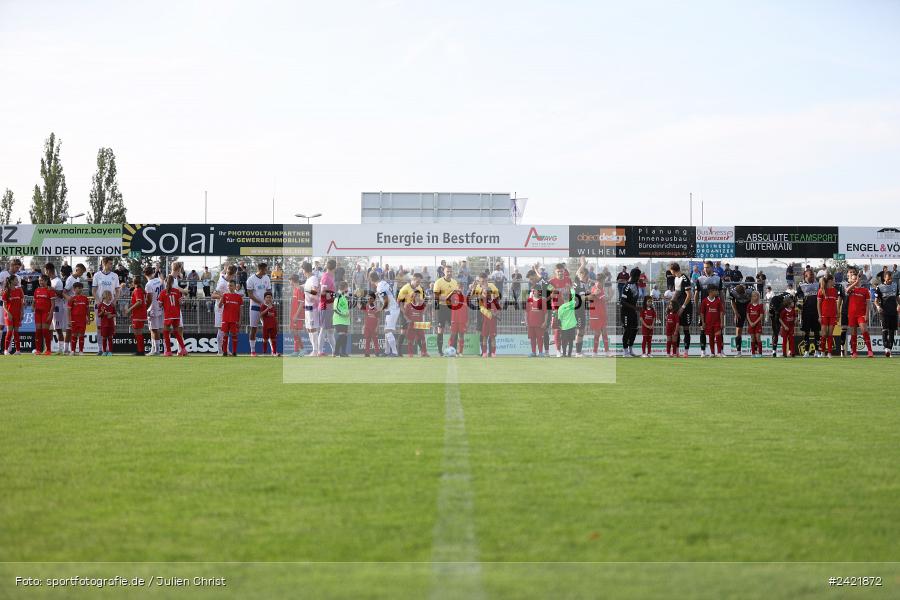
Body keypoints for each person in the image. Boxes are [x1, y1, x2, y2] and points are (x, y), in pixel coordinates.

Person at [694, 261, 722, 358]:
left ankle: (720, 351)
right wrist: (697, 305)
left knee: (719, 330)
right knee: (703, 329)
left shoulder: (717, 279)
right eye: (705, 267)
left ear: (712, 267)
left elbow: (721, 293)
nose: (706, 269)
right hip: (704, 310)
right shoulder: (700, 279)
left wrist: (722, 306)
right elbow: (697, 294)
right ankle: (703, 351)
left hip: (715, 309)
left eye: (708, 267)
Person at [845, 266, 874, 358]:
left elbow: (868, 304)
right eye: (852, 280)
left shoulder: (865, 290)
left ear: (859, 280)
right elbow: (846, 290)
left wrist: (867, 315)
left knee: (864, 330)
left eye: (856, 280)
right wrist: (854, 283)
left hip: (861, 314)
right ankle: (854, 352)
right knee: (853, 333)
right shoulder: (850, 288)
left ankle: (870, 351)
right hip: (852, 314)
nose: (854, 281)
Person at [371, 270, 400, 357]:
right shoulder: (383, 282)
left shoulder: (379, 288)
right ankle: (387, 351)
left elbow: (386, 300)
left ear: (371, 280)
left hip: (391, 309)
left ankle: (394, 352)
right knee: (386, 331)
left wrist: (380, 309)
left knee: (387, 331)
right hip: (392, 309)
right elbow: (387, 292)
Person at [246, 262, 272, 357]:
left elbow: (269, 291)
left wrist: (268, 302)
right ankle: (253, 351)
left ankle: (273, 351)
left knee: (269, 328)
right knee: (254, 329)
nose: (267, 270)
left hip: (265, 307)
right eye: (266, 269)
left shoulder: (267, 278)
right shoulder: (251, 279)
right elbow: (250, 295)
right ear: (261, 269)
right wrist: (261, 302)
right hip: (255, 307)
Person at [432, 265, 459, 356]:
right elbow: (436, 297)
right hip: (441, 308)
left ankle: (454, 350)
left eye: (451, 271)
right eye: (447, 271)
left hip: (451, 308)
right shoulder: (438, 282)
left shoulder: (455, 282)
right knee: (440, 329)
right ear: (444, 272)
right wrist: (446, 298)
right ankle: (440, 351)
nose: (449, 273)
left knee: (454, 329)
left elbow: (456, 295)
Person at [211, 265, 237, 356]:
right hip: (219, 308)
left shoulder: (223, 276)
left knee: (227, 330)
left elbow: (223, 272)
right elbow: (213, 296)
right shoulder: (222, 283)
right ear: (233, 274)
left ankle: (226, 349)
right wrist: (223, 297)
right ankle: (219, 351)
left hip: (227, 309)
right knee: (221, 330)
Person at [158, 276, 187, 357]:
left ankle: (168, 351)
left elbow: (160, 304)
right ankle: (183, 349)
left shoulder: (163, 292)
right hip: (176, 315)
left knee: (166, 332)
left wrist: (163, 303)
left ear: (165, 282)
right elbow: (181, 302)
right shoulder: (177, 291)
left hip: (168, 315)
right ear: (173, 283)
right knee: (176, 332)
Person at [549, 263, 573, 357]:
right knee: (557, 331)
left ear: (564, 271)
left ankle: (564, 351)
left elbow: (572, 292)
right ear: (555, 272)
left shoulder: (568, 280)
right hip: (556, 309)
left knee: (565, 331)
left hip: (566, 309)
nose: (560, 273)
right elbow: (549, 295)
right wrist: (554, 292)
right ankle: (558, 351)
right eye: (558, 271)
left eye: (562, 271)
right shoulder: (551, 282)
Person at [669, 263, 693, 358]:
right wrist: (671, 303)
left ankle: (686, 352)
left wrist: (682, 308)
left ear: (673, 270)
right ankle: (676, 351)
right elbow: (677, 292)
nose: (670, 272)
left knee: (686, 329)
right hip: (677, 307)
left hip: (686, 308)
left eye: (671, 270)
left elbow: (689, 295)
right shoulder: (676, 278)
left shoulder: (684, 278)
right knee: (677, 329)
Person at [797, 269, 821, 357]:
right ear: (806, 276)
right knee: (806, 332)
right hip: (806, 312)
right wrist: (800, 303)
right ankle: (806, 351)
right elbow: (798, 297)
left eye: (813, 275)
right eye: (811, 275)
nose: (813, 276)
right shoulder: (801, 285)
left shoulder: (818, 284)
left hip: (816, 312)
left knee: (817, 332)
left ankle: (817, 351)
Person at [874, 270, 898, 358]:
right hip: (884, 312)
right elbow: (876, 301)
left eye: (891, 279)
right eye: (888, 279)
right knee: (885, 330)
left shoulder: (895, 285)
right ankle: (886, 348)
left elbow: (897, 297)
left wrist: (899, 305)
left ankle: (890, 350)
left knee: (892, 331)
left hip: (893, 312)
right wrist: (878, 307)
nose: (890, 280)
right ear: (884, 278)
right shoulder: (879, 287)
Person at [45, 262, 68, 354]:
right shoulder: (48, 280)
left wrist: (52, 289)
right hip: (49, 307)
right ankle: (48, 349)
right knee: (48, 329)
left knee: (58, 329)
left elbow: (61, 295)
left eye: (45, 270)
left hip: (57, 308)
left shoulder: (58, 281)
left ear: (48, 270)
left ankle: (61, 349)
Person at [317, 259, 337, 357]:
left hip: (329, 307)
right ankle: (320, 351)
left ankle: (335, 351)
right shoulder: (326, 277)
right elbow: (323, 292)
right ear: (335, 267)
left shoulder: (330, 277)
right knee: (323, 329)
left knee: (330, 330)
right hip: (325, 307)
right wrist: (332, 297)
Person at [219, 279, 243, 357]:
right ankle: (224, 352)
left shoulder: (238, 297)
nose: (229, 287)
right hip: (225, 319)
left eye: (231, 285)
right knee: (225, 334)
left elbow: (241, 310)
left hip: (234, 319)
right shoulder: (225, 295)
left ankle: (234, 352)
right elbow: (219, 306)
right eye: (228, 285)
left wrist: (240, 320)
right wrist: (221, 299)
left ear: (235, 287)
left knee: (234, 334)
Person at [817, 274, 840, 358]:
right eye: (834, 280)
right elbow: (818, 304)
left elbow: (835, 303)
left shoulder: (834, 290)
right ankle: (822, 352)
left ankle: (829, 353)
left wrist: (837, 313)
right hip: (824, 315)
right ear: (830, 281)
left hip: (832, 315)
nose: (834, 281)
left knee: (830, 334)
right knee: (824, 334)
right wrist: (819, 316)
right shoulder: (821, 290)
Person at [143, 266, 164, 356]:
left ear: (145, 274)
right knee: (154, 329)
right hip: (161, 307)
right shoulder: (159, 280)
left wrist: (145, 308)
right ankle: (153, 349)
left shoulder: (148, 284)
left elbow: (149, 299)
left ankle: (157, 350)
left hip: (153, 308)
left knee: (154, 329)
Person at [620, 268, 641, 357]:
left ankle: (630, 350)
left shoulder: (636, 284)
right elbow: (622, 301)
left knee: (634, 329)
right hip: (626, 312)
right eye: (638, 276)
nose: (639, 278)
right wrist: (635, 308)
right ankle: (625, 352)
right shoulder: (626, 286)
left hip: (633, 312)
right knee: (627, 330)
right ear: (635, 276)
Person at [33, 275, 55, 355]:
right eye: (39, 280)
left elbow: (53, 305)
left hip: (47, 313)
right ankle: (38, 350)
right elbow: (34, 301)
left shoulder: (50, 290)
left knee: (45, 331)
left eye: (42, 280)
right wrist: (33, 307)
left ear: (46, 281)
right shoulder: (37, 290)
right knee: (38, 331)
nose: (40, 282)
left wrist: (50, 314)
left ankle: (48, 350)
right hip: (38, 313)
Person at [303, 262, 321, 357]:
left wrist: (306, 291)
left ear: (305, 270)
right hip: (307, 308)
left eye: (302, 270)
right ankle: (314, 350)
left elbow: (314, 292)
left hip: (312, 308)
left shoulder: (313, 278)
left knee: (313, 329)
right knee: (309, 329)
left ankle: (315, 350)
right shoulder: (308, 280)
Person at [700, 285, 725, 357]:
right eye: (716, 291)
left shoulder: (718, 301)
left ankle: (719, 352)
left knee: (718, 336)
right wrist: (703, 322)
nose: (717, 292)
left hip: (717, 322)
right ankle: (712, 353)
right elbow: (702, 313)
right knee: (711, 337)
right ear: (710, 291)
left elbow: (721, 312)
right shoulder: (704, 301)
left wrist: (722, 322)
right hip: (708, 323)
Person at [126, 274, 148, 356]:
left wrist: (129, 309)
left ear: (133, 282)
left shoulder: (137, 290)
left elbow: (139, 302)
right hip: (141, 314)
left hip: (138, 314)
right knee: (138, 333)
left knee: (137, 333)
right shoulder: (141, 290)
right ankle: (141, 350)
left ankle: (140, 351)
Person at [525, 282, 548, 357]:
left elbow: (546, 313)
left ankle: (541, 352)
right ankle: (533, 352)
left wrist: (545, 322)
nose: (536, 292)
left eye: (538, 290)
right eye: (534, 290)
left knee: (540, 338)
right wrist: (526, 321)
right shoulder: (529, 300)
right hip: (531, 323)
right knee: (532, 338)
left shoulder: (543, 300)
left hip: (539, 324)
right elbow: (526, 312)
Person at [2, 275, 23, 354]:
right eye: (16, 279)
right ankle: (6, 350)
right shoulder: (6, 291)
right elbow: (4, 305)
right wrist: (8, 313)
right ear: (11, 281)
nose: (17, 281)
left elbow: (21, 303)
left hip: (17, 314)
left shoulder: (19, 290)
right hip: (9, 315)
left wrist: (22, 312)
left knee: (16, 332)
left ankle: (18, 351)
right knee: (10, 331)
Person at [589, 276, 610, 357]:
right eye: (602, 281)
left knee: (604, 333)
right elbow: (606, 299)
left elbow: (605, 300)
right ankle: (594, 352)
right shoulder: (595, 289)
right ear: (599, 281)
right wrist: (610, 295)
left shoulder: (601, 289)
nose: (603, 283)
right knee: (597, 333)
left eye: (603, 282)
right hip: (596, 314)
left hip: (602, 314)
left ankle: (607, 351)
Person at [67, 282, 90, 355]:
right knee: (74, 335)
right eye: (78, 288)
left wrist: (88, 318)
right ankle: (73, 351)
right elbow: (68, 310)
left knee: (81, 335)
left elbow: (87, 309)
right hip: (74, 320)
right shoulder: (72, 299)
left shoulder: (85, 298)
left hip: (82, 320)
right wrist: (69, 320)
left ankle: (81, 351)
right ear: (74, 289)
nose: (80, 289)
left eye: (81, 288)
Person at [729, 284, 752, 357]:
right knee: (738, 331)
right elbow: (732, 302)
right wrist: (736, 312)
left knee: (752, 330)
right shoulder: (732, 292)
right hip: (739, 310)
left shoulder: (750, 290)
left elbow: (754, 299)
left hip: (749, 309)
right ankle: (738, 352)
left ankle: (755, 351)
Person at [556, 288, 578, 357]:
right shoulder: (572, 303)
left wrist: (560, 326)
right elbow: (573, 295)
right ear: (568, 296)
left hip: (564, 327)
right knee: (571, 341)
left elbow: (559, 319)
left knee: (564, 341)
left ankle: (564, 353)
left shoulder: (561, 308)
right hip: (572, 326)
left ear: (562, 297)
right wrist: (571, 288)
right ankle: (569, 354)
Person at [332, 281, 351, 357]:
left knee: (344, 336)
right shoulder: (338, 296)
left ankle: (343, 352)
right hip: (339, 320)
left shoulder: (343, 296)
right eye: (347, 287)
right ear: (345, 287)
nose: (348, 289)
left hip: (345, 320)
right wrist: (343, 314)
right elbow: (335, 309)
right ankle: (336, 352)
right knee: (341, 336)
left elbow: (343, 307)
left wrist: (347, 313)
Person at [95, 290, 117, 356]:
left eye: (111, 296)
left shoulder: (112, 305)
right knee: (104, 338)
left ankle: (110, 352)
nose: (111, 297)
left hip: (111, 325)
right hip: (104, 325)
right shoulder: (100, 305)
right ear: (105, 296)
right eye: (109, 295)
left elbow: (115, 314)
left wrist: (111, 315)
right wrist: (103, 313)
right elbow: (98, 315)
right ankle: (104, 351)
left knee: (110, 338)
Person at [448, 288, 469, 356]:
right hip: (454, 319)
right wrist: (452, 292)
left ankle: (461, 352)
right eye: (458, 288)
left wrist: (467, 320)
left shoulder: (465, 298)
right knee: (453, 335)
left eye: (461, 288)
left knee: (461, 336)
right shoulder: (453, 297)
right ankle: (451, 351)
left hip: (462, 320)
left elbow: (467, 310)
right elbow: (447, 300)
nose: (459, 289)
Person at [480, 288, 500, 357]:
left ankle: (493, 353)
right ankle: (484, 353)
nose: (487, 294)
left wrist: (495, 313)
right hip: (485, 322)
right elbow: (481, 309)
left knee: (493, 338)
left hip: (493, 323)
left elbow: (498, 310)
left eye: (489, 293)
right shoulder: (483, 300)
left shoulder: (495, 301)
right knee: (484, 337)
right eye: (486, 293)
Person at [289, 274, 305, 357]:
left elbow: (302, 303)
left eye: (290, 280)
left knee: (296, 332)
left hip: (297, 316)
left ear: (292, 280)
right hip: (294, 315)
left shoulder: (299, 289)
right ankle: (296, 350)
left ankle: (302, 349)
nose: (289, 282)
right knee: (294, 332)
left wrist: (296, 315)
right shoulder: (295, 289)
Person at [259, 291, 280, 356]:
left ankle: (274, 352)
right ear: (264, 298)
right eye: (267, 297)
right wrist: (268, 308)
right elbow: (261, 314)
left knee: (273, 339)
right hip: (266, 325)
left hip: (273, 325)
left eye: (270, 297)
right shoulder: (263, 305)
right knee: (265, 339)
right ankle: (264, 353)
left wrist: (277, 325)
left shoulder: (273, 306)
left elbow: (275, 316)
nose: (269, 298)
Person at [362, 291, 381, 357]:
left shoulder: (376, 308)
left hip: (374, 327)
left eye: (370, 298)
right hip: (367, 326)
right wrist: (364, 326)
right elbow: (364, 314)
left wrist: (377, 327)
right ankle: (367, 353)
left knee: (375, 340)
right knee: (367, 340)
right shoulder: (366, 306)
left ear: (373, 299)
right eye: (368, 298)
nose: (369, 300)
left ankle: (377, 352)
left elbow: (378, 319)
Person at [746, 290, 765, 357]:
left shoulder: (760, 305)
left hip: (757, 325)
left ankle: (760, 353)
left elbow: (761, 315)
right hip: (751, 325)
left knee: (758, 338)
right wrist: (750, 322)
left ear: (758, 297)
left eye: (756, 296)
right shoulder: (749, 305)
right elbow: (747, 315)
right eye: (753, 296)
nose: (755, 297)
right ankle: (753, 353)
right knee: (752, 338)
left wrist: (755, 322)